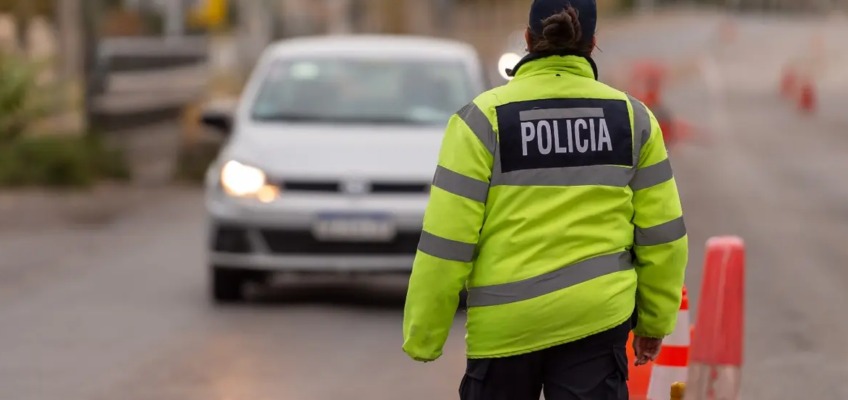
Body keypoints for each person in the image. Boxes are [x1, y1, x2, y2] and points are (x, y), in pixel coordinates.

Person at [401, 0, 688, 399]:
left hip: (505, 327)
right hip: (597, 321)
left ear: (527, 39)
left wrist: (424, 334)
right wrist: (654, 323)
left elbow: (447, 241)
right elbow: (662, 235)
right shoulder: (633, 119)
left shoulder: (482, 120)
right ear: (593, 43)